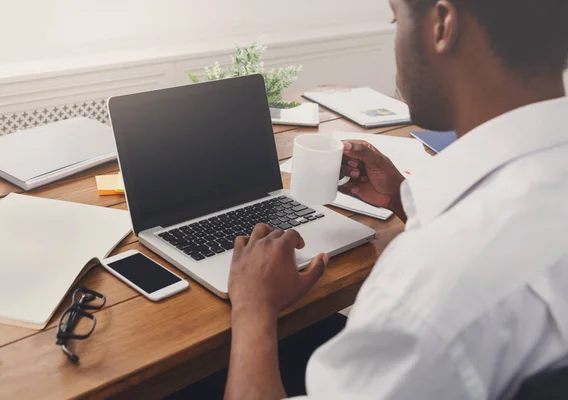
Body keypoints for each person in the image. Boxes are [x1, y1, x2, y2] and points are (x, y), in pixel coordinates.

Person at [224, 0, 568, 399]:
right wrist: (401, 203)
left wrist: (252, 308)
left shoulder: (428, 291)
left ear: (442, 25)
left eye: (395, 19)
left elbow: (457, 276)